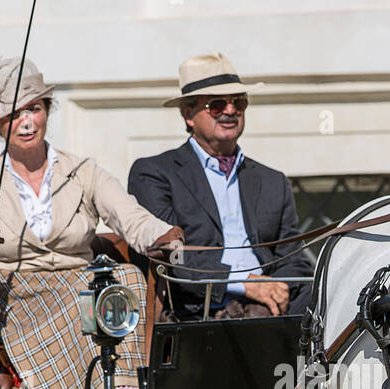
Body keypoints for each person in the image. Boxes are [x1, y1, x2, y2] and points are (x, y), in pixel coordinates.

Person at [0, 57, 183, 389]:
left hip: (83, 289)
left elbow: (130, 216)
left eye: (34, 109)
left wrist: (162, 236)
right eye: (14, 114)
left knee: (129, 279)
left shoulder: (82, 171)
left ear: (47, 112)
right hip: (18, 302)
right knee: (85, 301)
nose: (26, 122)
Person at [128, 53, 313, 320]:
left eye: (238, 103)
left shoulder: (273, 181)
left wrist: (277, 288)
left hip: (273, 309)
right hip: (198, 311)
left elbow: (293, 257)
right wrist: (245, 283)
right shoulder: (154, 174)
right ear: (189, 115)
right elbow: (173, 256)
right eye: (216, 105)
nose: (230, 111)